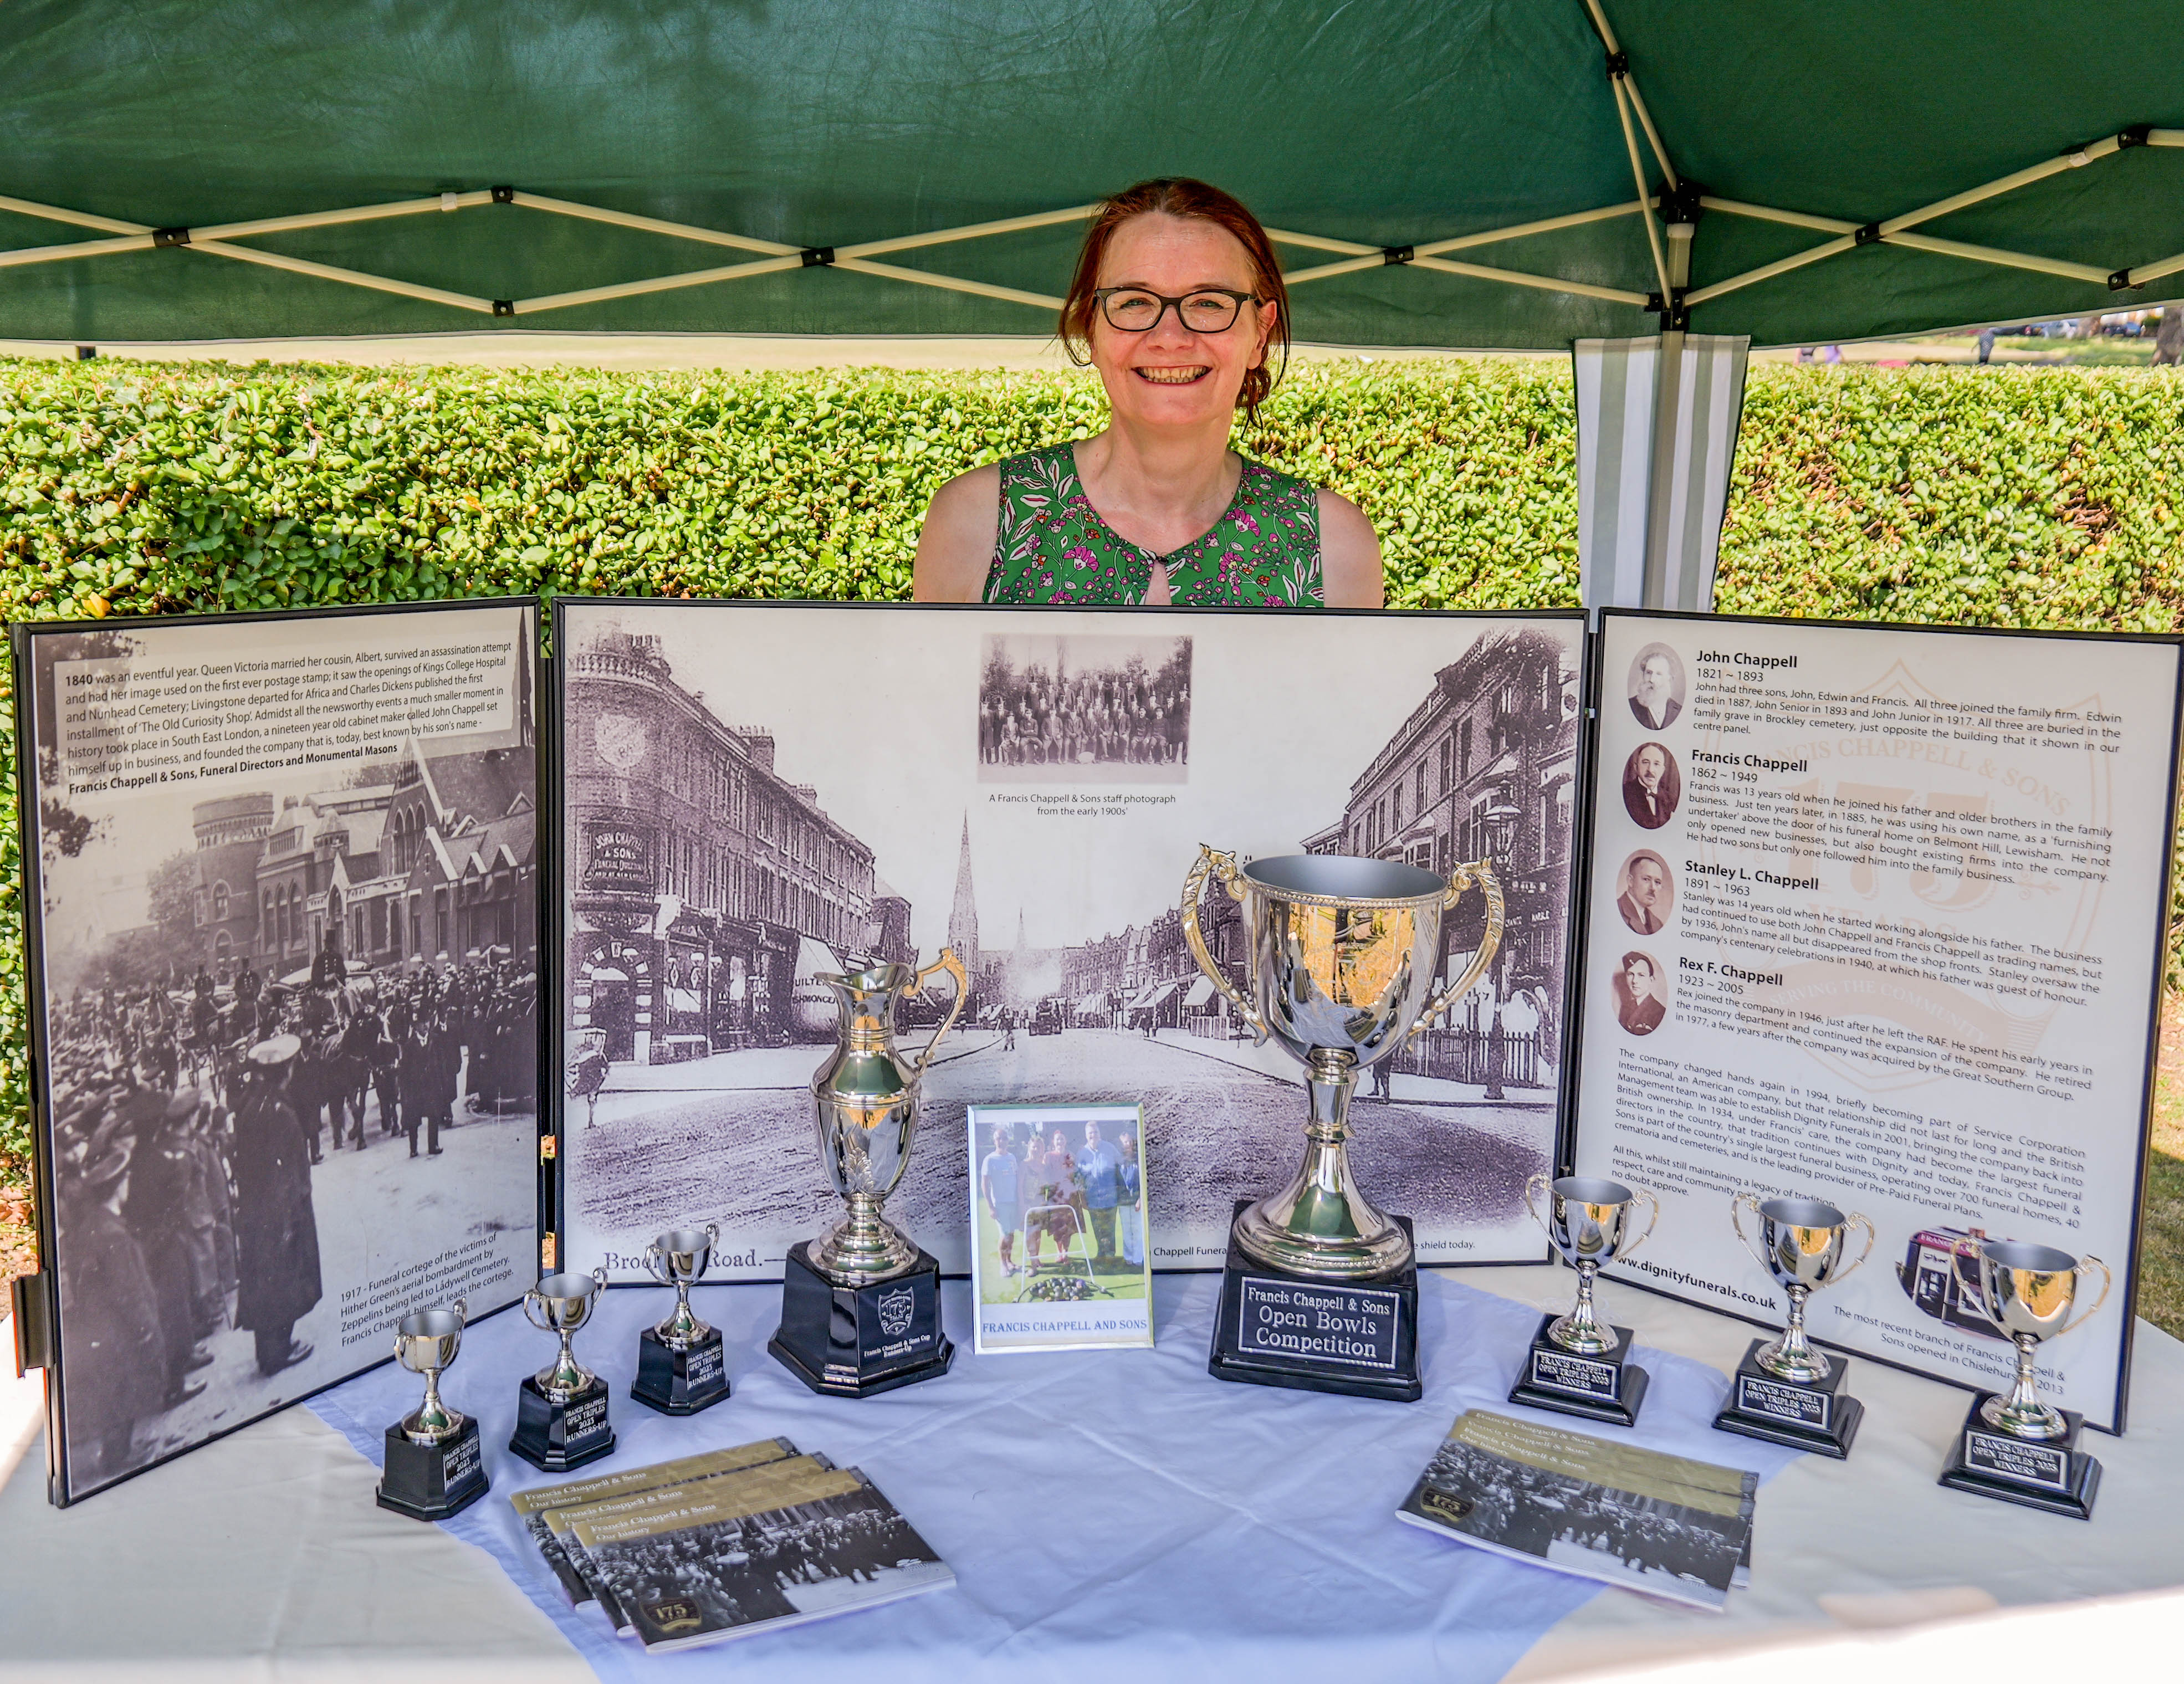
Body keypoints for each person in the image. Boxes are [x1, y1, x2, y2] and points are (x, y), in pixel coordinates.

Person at [913, 177, 1384, 609]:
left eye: (1208, 303)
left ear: (1260, 335)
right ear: (1091, 331)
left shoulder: (1333, 543)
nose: (1169, 336)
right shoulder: (977, 521)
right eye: (1135, 302)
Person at [228, 1035, 322, 1376]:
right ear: (286, 1071)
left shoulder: (250, 1106)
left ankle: (268, 1350)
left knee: (263, 1278)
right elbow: (291, 1166)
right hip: (281, 1208)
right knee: (284, 1277)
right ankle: (278, 1352)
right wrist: (290, 1212)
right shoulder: (281, 1112)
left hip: (255, 1207)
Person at [1076, 1118, 1125, 1270]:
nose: (1093, 1135)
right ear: (1086, 1135)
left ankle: (1110, 1256)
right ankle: (1100, 1254)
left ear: (1100, 1133)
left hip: (1110, 1198)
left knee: (1109, 1229)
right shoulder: (1082, 1153)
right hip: (1093, 1200)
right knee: (1098, 1229)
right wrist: (1082, 1197)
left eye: (1095, 1132)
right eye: (1090, 1133)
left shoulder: (1109, 1148)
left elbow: (1122, 1164)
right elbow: (1078, 1177)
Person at [979, 1125, 1022, 1277]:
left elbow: (1016, 1180)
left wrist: (1020, 1202)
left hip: (1013, 1203)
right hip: (1000, 1205)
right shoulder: (989, 1160)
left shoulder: (1012, 1158)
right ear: (994, 1140)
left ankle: (1010, 1261)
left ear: (1008, 1141)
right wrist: (991, 1207)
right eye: (999, 1138)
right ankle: (1003, 1265)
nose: (1002, 1141)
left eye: (1004, 1138)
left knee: (1011, 1234)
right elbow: (985, 1184)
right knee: (1004, 1236)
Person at [1622, 743, 1679, 830]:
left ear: (1663, 770)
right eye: (1645, 763)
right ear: (1636, 767)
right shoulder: (1625, 793)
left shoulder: (1670, 800)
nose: (1651, 770)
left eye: (1656, 764)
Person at [1613, 952, 1666, 1036]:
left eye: (1641, 975)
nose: (1634, 981)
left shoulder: (1660, 1012)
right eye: (1630, 974)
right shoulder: (1625, 1008)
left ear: (1651, 980)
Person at [1618, 853, 1672, 935]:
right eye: (1646, 879)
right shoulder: (1618, 911)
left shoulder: (1658, 924)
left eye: (1657, 882)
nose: (1653, 888)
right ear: (1630, 881)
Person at [1628, 650, 1680, 730]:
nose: (1652, 680)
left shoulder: (1678, 711)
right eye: (1649, 673)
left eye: (1659, 674)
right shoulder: (1631, 706)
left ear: (1669, 679)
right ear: (1643, 674)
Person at [1117, 1132, 1144, 1267]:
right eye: (1125, 1142)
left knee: (1138, 1231)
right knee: (1126, 1230)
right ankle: (1128, 1257)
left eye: (1129, 1142)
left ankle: (1138, 1259)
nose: (1127, 1145)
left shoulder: (1139, 1160)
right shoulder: (1118, 1161)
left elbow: (1143, 1182)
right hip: (1123, 1202)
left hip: (1137, 1202)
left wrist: (1141, 1199)